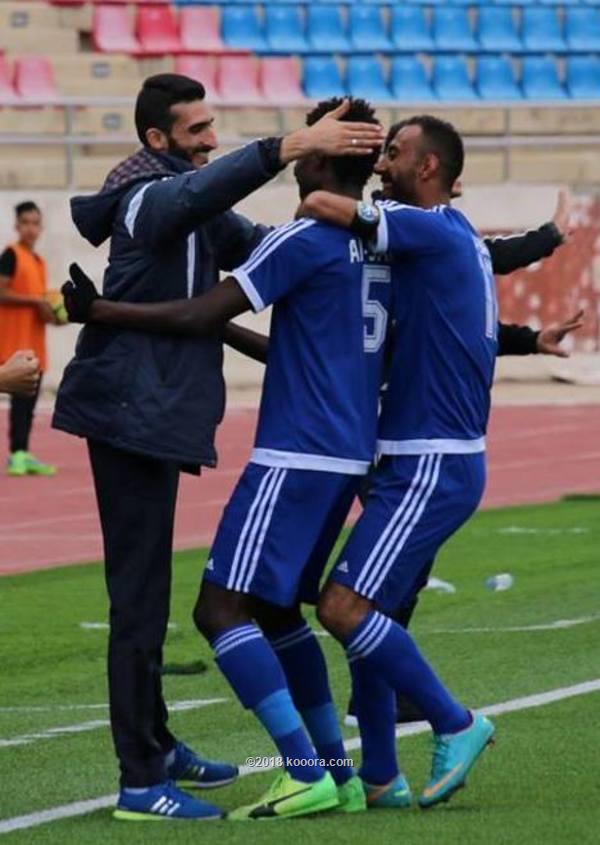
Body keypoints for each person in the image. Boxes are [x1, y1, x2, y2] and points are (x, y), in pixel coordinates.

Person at [53, 76, 383, 823]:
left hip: (157, 417)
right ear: (157, 141)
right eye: (195, 129)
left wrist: (372, 222)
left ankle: (162, 744)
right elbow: (197, 201)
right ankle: (142, 781)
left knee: (162, 597)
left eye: (212, 126)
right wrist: (290, 148)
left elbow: (273, 247)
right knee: (140, 603)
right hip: (127, 414)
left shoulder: (201, 206)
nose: (209, 138)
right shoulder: (147, 197)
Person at [296, 115, 526, 809]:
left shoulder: (428, 227)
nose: (381, 165)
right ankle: (380, 775)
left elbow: (321, 204)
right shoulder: (450, 237)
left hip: (430, 461)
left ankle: (456, 721)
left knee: (341, 607)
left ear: (427, 168)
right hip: (421, 457)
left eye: (393, 154)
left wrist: (313, 159)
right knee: (373, 614)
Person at [0, 202, 60, 476]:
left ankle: (23, 452)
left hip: (34, 344)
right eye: (25, 222)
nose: (30, 228)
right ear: (16, 225)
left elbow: (39, 303)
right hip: (12, 343)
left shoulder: (39, 262)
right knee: (20, 403)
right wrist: (36, 302)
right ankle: (17, 455)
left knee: (29, 405)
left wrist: (53, 313)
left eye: (35, 223)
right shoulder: (10, 255)